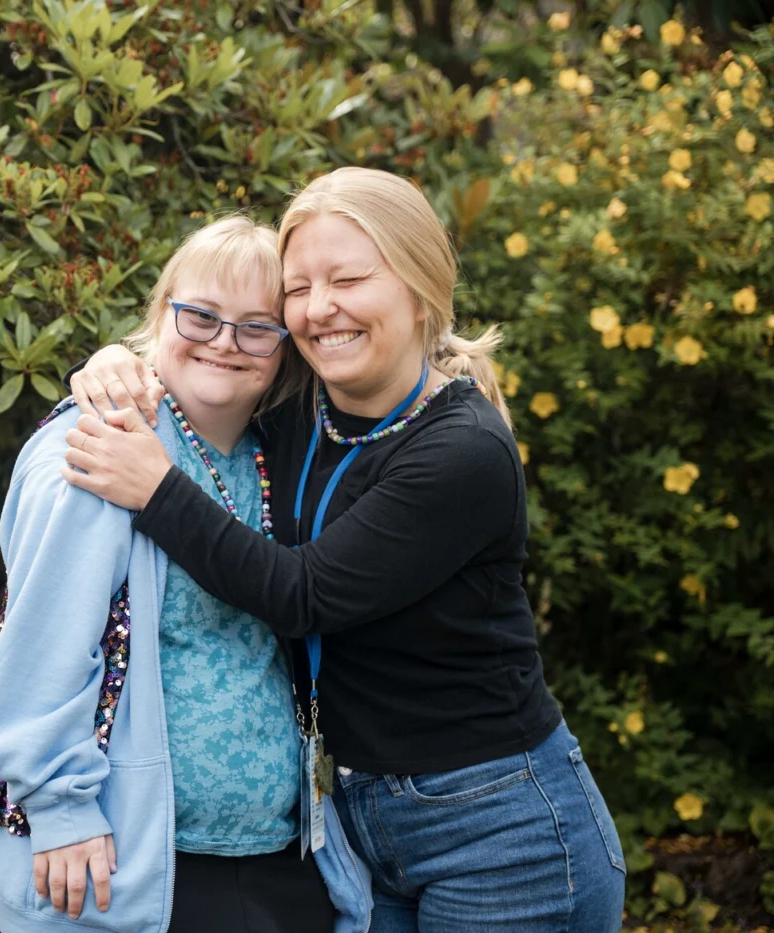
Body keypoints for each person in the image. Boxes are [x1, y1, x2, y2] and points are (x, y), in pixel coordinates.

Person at [62, 167, 627, 932]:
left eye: (349, 279)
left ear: (419, 287)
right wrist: (117, 364)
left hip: (502, 832)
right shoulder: (300, 403)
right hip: (359, 831)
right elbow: (204, 358)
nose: (319, 309)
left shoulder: (462, 450)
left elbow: (304, 595)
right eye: (298, 287)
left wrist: (157, 489)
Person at [0, 216, 341, 933]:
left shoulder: (281, 455)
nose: (225, 342)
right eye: (201, 315)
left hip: (276, 859)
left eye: (257, 327)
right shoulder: (97, 445)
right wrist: (61, 807)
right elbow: (39, 647)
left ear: (285, 349)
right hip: (130, 864)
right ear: (161, 311)